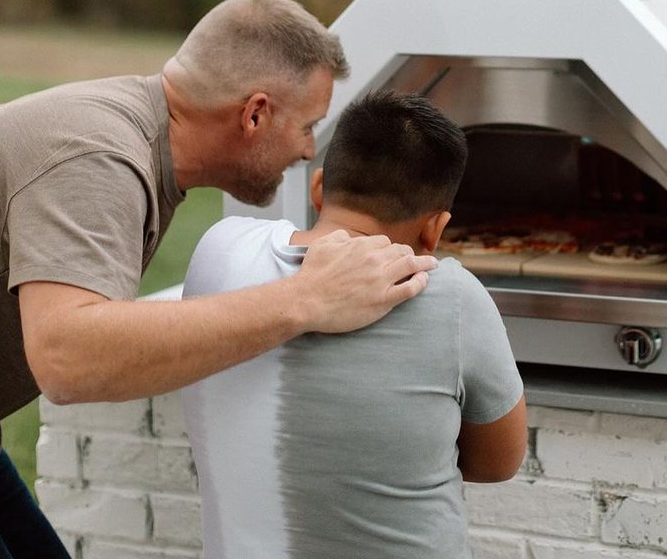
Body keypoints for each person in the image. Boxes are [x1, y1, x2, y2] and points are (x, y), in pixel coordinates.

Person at [0, 0, 438, 559]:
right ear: (255, 114)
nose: (308, 151)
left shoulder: (115, 113)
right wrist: (306, 299)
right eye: (308, 126)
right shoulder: (99, 157)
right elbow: (67, 360)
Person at [181, 89, 527, 559]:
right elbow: (498, 462)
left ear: (318, 188)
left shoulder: (220, 251)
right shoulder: (452, 297)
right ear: (434, 230)